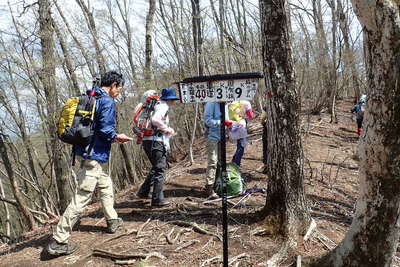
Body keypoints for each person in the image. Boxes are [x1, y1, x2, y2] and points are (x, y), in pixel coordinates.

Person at [46, 71, 133, 256]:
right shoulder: (107, 101)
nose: (119, 92)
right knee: (82, 196)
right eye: (119, 88)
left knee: (105, 183)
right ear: (113, 85)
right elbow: (105, 129)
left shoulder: (90, 97)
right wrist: (118, 137)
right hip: (93, 155)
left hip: (84, 153)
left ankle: (112, 220)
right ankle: (58, 240)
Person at [136, 88, 179, 207]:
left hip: (148, 141)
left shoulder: (153, 106)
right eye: (173, 99)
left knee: (156, 167)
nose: (174, 102)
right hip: (157, 142)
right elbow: (155, 120)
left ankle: (143, 192)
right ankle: (157, 199)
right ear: (169, 99)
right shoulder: (163, 106)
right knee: (160, 169)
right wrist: (167, 129)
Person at [204, 102, 232, 199]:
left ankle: (218, 185)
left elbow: (227, 120)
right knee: (212, 162)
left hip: (222, 136)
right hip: (212, 137)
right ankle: (209, 188)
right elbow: (207, 121)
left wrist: (229, 128)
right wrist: (221, 122)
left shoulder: (225, 104)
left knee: (221, 162)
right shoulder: (211, 104)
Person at [228, 100, 255, 167]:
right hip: (241, 125)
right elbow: (250, 115)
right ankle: (236, 164)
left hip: (233, 125)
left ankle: (234, 160)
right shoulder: (247, 103)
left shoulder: (233, 102)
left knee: (239, 144)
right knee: (241, 145)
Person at [260, 106, 268, 174]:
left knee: (265, 149)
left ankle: (266, 165)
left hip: (267, 130)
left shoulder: (266, 107)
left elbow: (262, 119)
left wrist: (263, 123)